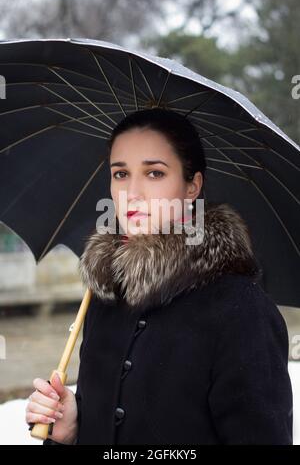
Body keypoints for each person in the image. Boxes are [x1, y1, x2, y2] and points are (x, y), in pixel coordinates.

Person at [25, 108, 293, 445]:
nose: (132, 192)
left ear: (192, 185)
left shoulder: (240, 309)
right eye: (120, 174)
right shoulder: (104, 296)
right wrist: (71, 434)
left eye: (154, 173)